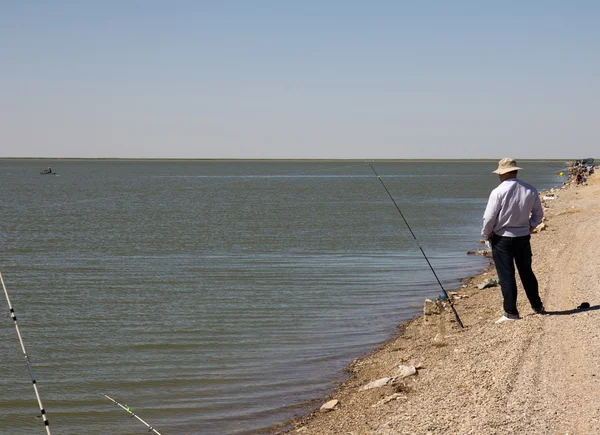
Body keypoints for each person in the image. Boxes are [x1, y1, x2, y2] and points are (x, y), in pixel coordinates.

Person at [481, 158, 545, 324]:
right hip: (523, 237)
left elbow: (489, 218)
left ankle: (511, 312)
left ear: (502, 173)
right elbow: (538, 214)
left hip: (503, 238)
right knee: (527, 273)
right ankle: (537, 306)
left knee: (506, 275)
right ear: (515, 171)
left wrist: (486, 235)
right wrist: (530, 227)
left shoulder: (498, 192)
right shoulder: (530, 189)